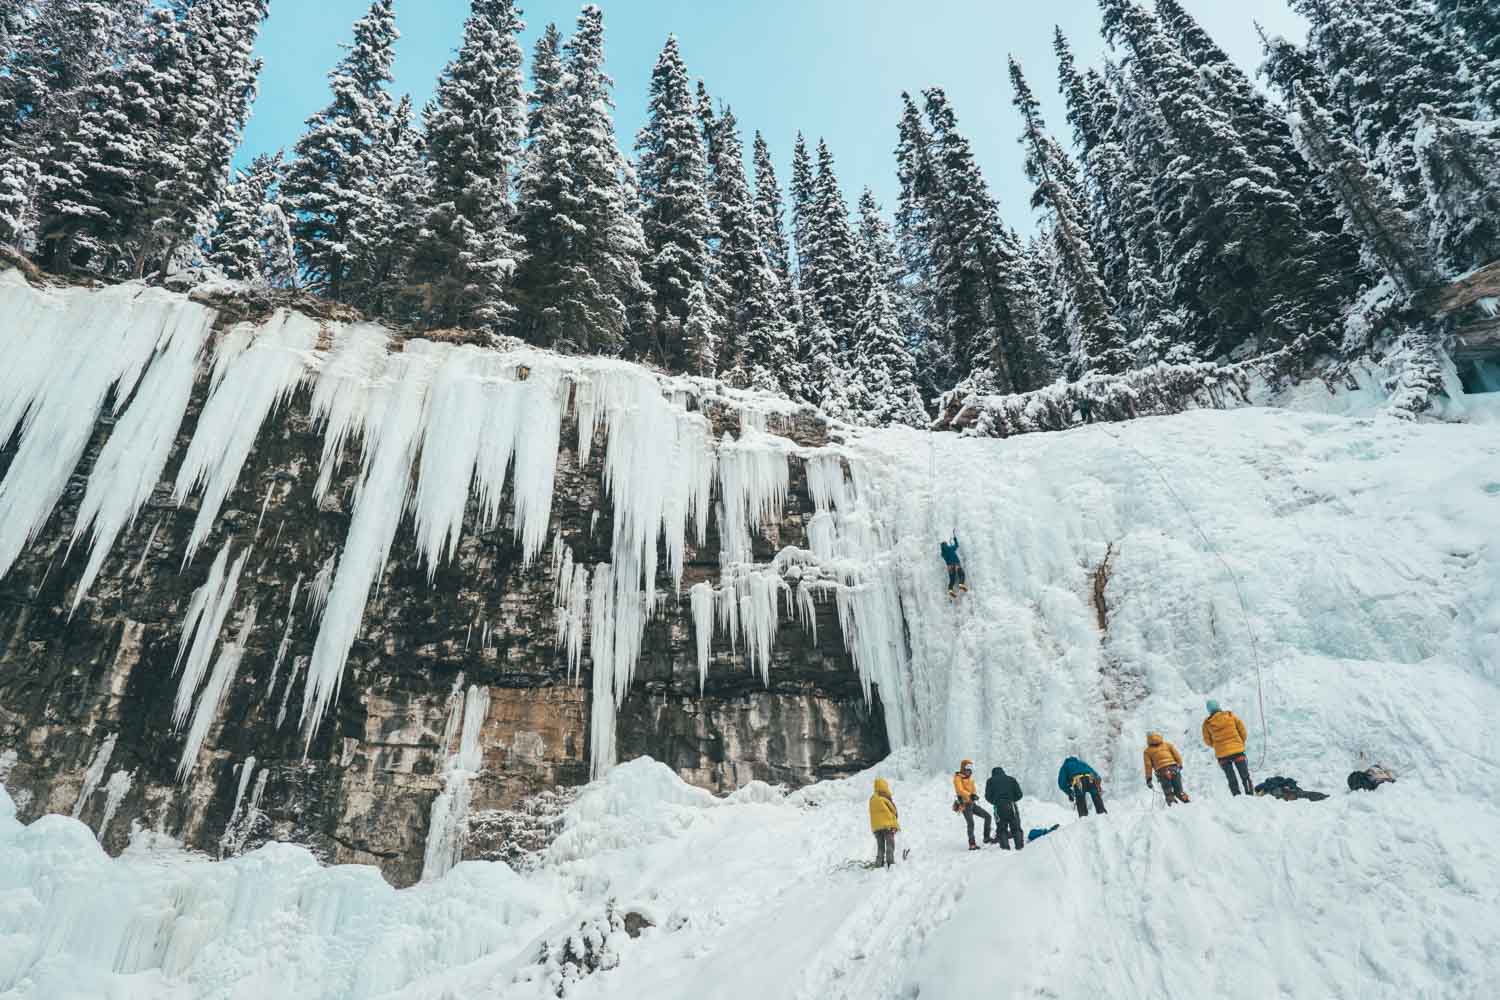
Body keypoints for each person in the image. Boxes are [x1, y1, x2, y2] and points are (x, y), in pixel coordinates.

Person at [1201, 700, 1252, 796]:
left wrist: (1218, 746)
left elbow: (1207, 740)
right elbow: (1243, 731)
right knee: (1245, 775)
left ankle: (1237, 797)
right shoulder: (1231, 716)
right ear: (1218, 706)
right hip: (1238, 751)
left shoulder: (1207, 724)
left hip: (1222, 755)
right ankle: (1250, 794)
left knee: (1231, 778)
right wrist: (1239, 743)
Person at [953, 759, 992, 850]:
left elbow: (973, 789)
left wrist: (974, 795)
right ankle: (972, 844)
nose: (969, 772)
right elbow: (960, 790)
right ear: (963, 769)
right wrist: (970, 795)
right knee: (971, 823)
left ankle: (986, 837)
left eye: (970, 771)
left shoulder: (969, 778)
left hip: (971, 804)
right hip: (964, 805)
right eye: (967, 770)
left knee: (988, 816)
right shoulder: (957, 778)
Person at [1143, 732, 1190, 805]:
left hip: (1162, 772)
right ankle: (1188, 804)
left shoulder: (1147, 751)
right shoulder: (1168, 745)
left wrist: (1149, 778)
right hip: (1174, 769)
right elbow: (1177, 755)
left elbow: (1148, 765)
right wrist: (1180, 765)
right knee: (1179, 791)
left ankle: (1172, 807)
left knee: (1168, 793)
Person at [984, 765, 1025, 850]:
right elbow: (1019, 795)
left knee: (1002, 829)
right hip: (1011, 805)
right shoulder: (1011, 779)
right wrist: (1012, 800)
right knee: (1016, 827)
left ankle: (1005, 849)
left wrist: (995, 802)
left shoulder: (990, 781)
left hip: (998, 807)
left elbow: (988, 796)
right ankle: (1020, 847)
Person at [869, 778, 900, 868]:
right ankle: (890, 862)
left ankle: (879, 863)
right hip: (887, 826)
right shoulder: (885, 798)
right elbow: (893, 810)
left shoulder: (872, 799)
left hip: (876, 828)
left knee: (880, 846)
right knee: (890, 844)